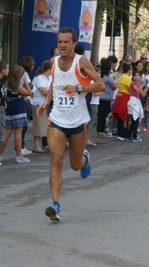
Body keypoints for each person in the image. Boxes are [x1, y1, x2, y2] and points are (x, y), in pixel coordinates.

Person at [36, 27, 104, 221]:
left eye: (66, 42)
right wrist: (46, 102)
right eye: (59, 42)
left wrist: (78, 87)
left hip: (78, 120)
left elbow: (99, 85)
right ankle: (55, 204)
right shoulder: (53, 62)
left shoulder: (81, 62)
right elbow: (54, 84)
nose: (62, 46)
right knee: (56, 160)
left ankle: (84, 158)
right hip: (57, 118)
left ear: (74, 43)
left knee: (74, 165)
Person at [0, 65, 32, 163]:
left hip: (9, 109)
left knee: (6, 132)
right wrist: (26, 82)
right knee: (18, 132)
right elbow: (29, 93)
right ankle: (19, 155)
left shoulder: (6, 83)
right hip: (18, 108)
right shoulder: (16, 85)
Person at [31, 60, 51, 152]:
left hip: (46, 104)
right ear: (49, 69)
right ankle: (36, 145)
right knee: (38, 125)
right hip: (38, 104)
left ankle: (44, 145)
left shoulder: (49, 78)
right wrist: (53, 93)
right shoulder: (39, 78)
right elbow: (44, 91)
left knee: (45, 126)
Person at [18, 56, 35, 156]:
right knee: (23, 126)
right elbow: (29, 87)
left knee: (24, 126)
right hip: (25, 100)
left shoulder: (25, 74)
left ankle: (22, 146)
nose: (33, 66)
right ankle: (20, 147)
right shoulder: (23, 74)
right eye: (32, 64)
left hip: (28, 100)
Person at [112, 63, 132, 140]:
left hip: (119, 96)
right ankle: (123, 133)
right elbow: (131, 88)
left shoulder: (121, 77)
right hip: (125, 97)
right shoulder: (127, 78)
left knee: (120, 115)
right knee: (124, 115)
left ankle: (120, 132)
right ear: (129, 70)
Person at [97, 59, 116, 139]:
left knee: (101, 115)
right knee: (103, 116)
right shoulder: (109, 77)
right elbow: (114, 87)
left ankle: (100, 130)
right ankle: (101, 131)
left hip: (100, 97)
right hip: (107, 98)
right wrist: (116, 83)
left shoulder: (100, 75)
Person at [127, 71, 144, 142]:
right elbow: (137, 90)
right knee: (134, 119)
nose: (136, 77)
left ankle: (129, 135)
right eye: (135, 75)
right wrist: (142, 85)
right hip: (133, 102)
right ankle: (134, 136)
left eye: (138, 75)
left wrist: (147, 86)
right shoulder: (133, 83)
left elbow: (143, 94)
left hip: (137, 101)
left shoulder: (138, 84)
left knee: (135, 120)